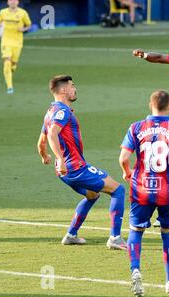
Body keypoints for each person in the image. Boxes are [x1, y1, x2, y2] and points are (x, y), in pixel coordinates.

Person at [37, 75, 127, 250]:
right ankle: (115, 238)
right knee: (118, 190)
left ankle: (71, 235)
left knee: (92, 195)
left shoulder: (50, 112)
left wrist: (45, 156)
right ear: (63, 90)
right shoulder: (62, 112)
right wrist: (61, 159)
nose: (74, 89)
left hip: (63, 171)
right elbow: (51, 134)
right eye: (72, 86)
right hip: (75, 167)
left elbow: (41, 142)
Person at [119, 90, 169, 297]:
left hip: (141, 188)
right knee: (167, 233)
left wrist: (127, 173)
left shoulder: (136, 127)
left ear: (150, 105)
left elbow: (123, 157)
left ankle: (135, 270)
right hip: (167, 190)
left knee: (135, 231)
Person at [0, 0, 31, 94]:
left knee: (13, 63)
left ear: (18, 2)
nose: (13, 2)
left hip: (17, 42)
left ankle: (8, 73)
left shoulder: (23, 13)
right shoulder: (3, 12)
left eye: (15, 0)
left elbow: (29, 25)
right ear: (8, 2)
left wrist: (23, 29)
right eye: (11, 0)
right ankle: (10, 87)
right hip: (6, 41)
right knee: (7, 62)